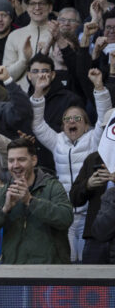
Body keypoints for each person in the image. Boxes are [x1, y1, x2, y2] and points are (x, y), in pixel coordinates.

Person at [30, 68, 112, 262]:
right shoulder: (57, 141)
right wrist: (38, 93)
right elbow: (38, 125)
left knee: (85, 264)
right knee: (66, 264)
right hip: (65, 214)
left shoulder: (94, 138)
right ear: (63, 125)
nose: (71, 122)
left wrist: (99, 87)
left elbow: (104, 117)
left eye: (77, 119)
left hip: (88, 214)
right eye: (67, 119)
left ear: (86, 124)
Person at [0, 138, 73, 264]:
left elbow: (66, 218)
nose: (15, 165)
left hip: (50, 271)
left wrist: (30, 201)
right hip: (14, 272)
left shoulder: (52, 186)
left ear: (33, 160)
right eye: (11, 160)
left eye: (21, 159)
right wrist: (4, 210)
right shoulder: (2, 193)